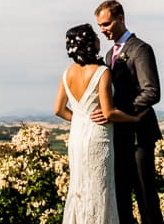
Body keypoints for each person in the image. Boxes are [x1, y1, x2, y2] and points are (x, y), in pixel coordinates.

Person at [54, 23, 147, 224]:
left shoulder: (66, 73)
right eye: (95, 35)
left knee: (79, 187)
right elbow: (108, 112)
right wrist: (134, 118)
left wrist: (81, 120)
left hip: (77, 138)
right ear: (90, 43)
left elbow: (59, 110)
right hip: (98, 138)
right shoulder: (102, 72)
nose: (99, 37)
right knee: (100, 189)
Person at [90, 0, 164, 224]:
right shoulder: (110, 53)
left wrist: (118, 112)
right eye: (100, 26)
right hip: (117, 137)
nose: (103, 30)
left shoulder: (140, 49)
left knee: (146, 198)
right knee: (120, 198)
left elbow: (152, 92)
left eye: (106, 24)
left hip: (139, 135)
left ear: (121, 18)